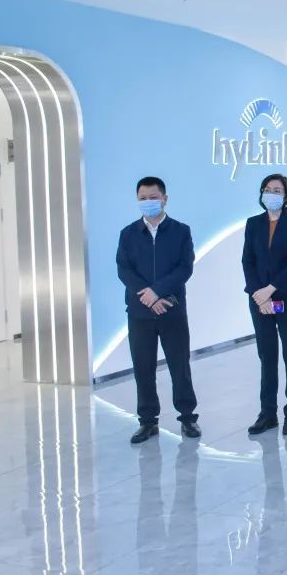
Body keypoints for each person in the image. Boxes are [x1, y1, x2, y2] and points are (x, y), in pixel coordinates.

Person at [116, 176, 200, 444]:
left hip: (172, 310)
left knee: (179, 366)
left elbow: (184, 268)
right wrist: (149, 296)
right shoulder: (128, 234)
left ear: (165, 199)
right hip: (140, 312)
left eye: (153, 197)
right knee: (143, 367)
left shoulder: (181, 231)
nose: (148, 202)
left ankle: (187, 418)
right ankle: (148, 421)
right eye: (143, 198)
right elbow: (124, 270)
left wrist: (158, 292)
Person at [242, 174, 287, 436]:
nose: (271, 194)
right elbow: (247, 261)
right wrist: (259, 294)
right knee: (267, 356)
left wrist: (271, 290)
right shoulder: (253, 223)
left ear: (286, 196)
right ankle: (267, 413)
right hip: (259, 300)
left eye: (277, 190)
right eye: (267, 189)